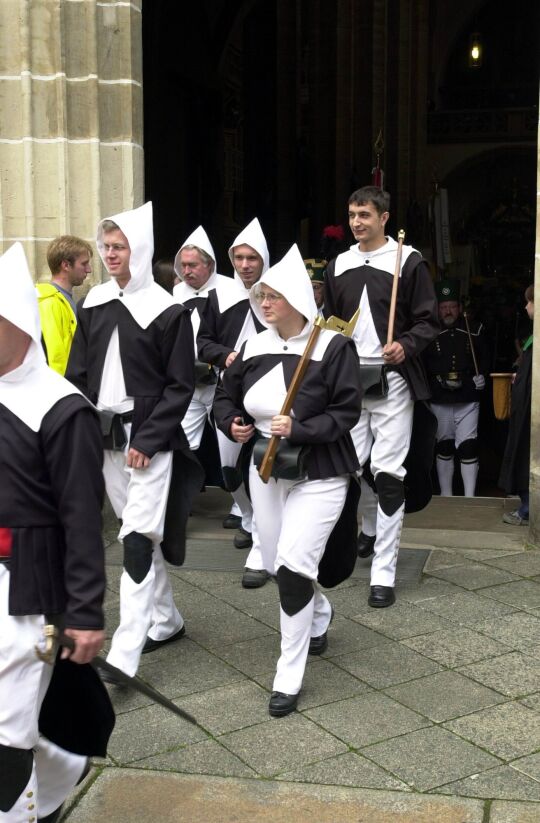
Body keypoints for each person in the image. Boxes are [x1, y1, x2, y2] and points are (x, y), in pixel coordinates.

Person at [213, 244, 362, 717]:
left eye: (274, 295)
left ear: (297, 297)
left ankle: (288, 672)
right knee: (279, 564)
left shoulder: (335, 347)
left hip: (321, 472)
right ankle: (319, 613)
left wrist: (299, 427)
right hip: (265, 468)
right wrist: (232, 422)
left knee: (295, 567)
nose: (265, 302)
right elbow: (224, 397)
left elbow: (346, 412)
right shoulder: (253, 347)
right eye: (262, 295)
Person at [66, 202, 203, 682]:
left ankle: (125, 653)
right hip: (105, 439)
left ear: (139, 250)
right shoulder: (95, 303)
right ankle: (166, 621)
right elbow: (77, 375)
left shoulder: (168, 312)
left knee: (138, 541)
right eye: (105, 247)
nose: (110, 255)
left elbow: (180, 386)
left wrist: (149, 437)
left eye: (119, 246)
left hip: (149, 442)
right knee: (134, 531)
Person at [0, 242, 110, 822]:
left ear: (16, 324)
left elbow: (82, 517)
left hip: (29, 587)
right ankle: (61, 771)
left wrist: (87, 611)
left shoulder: (61, 407)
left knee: (6, 733)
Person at [324, 185, 439, 608]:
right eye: (352, 214)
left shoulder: (407, 260)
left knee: (388, 475)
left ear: (384, 218)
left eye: (365, 215)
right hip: (350, 381)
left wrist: (405, 344)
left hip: (393, 380)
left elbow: (428, 320)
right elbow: (330, 323)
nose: (357, 222)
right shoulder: (339, 265)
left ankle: (384, 571)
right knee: (348, 470)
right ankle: (360, 536)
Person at [198, 217, 269, 586]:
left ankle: (262, 534)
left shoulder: (274, 293)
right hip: (229, 393)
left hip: (269, 394)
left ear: (263, 260)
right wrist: (224, 355)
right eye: (238, 258)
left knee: (262, 466)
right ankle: (246, 515)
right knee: (229, 471)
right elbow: (202, 341)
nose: (244, 265)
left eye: (251, 258)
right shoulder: (218, 295)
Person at [423, 280, 489, 496]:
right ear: (437, 309)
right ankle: (446, 495)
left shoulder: (474, 329)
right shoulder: (429, 332)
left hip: (468, 397)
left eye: (451, 306)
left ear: (459, 308)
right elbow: (423, 366)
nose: (448, 311)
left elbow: (486, 359)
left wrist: (483, 378)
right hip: (439, 397)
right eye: (443, 307)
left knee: (468, 447)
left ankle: (469, 497)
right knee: (444, 447)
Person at [499, 284, 534, 525]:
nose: (526, 306)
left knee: (526, 454)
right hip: (525, 403)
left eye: (531, 302)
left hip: (531, 411)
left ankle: (527, 509)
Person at [36, 235, 93, 374]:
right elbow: (57, 358)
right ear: (66, 265)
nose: (89, 269)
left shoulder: (62, 299)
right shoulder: (49, 303)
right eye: (84, 264)